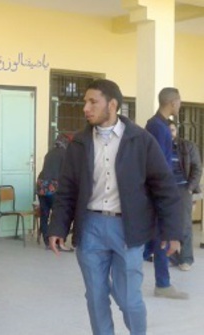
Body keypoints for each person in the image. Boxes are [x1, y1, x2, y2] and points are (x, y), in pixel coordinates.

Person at [48, 79, 182, 335]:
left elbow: (164, 188)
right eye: (85, 102)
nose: (86, 108)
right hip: (90, 228)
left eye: (93, 102)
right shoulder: (78, 143)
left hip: (128, 228)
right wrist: (58, 227)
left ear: (112, 104)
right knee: (95, 297)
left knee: (129, 300)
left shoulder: (141, 140)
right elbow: (67, 189)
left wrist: (172, 231)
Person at [144, 87, 189, 299]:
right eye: (179, 101)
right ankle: (162, 283)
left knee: (156, 237)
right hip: (159, 191)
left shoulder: (157, 124)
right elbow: (159, 164)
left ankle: (162, 282)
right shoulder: (158, 127)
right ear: (172, 102)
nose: (180, 105)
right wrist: (166, 192)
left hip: (158, 189)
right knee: (161, 236)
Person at [169, 120, 202, 271]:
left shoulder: (187, 146)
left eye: (172, 130)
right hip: (165, 190)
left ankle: (186, 258)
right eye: (167, 130)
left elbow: (196, 168)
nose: (170, 133)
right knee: (167, 223)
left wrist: (189, 188)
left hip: (183, 189)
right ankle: (172, 256)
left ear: (177, 131)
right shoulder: (159, 146)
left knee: (184, 225)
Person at [35, 133, 72, 248]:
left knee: (45, 214)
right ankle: (58, 242)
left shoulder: (49, 153)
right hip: (53, 187)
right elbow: (66, 173)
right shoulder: (65, 154)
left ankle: (47, 241)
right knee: (58, 215)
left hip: (41, 186)